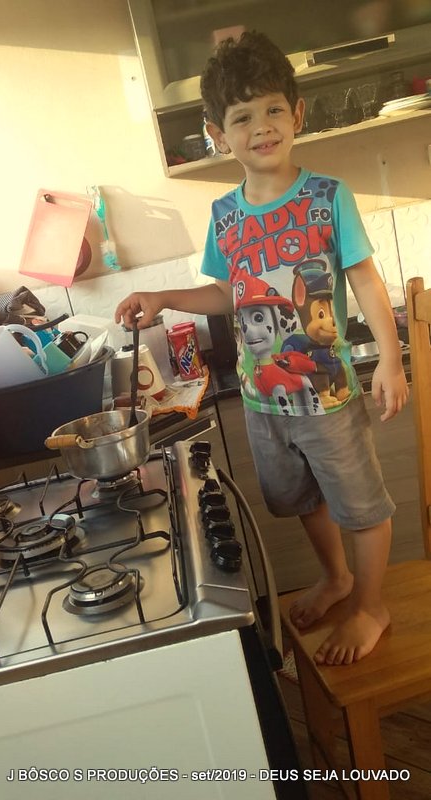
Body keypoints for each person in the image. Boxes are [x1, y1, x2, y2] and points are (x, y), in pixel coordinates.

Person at [115, 31, 409, 666]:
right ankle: (337, 578)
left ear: (297, 113)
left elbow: (364, 280)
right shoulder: (224, 215)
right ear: (218, 134)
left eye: (273, 109)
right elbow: (227, 293)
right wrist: (164, 296)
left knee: (361, 507)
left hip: (328, 396)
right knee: (300, 499)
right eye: (242, 117)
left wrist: (389, 358)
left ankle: (370, 606)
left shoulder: (328, 196)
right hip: (263, 402)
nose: (262, 127)